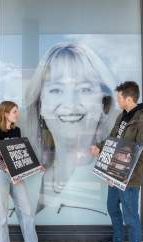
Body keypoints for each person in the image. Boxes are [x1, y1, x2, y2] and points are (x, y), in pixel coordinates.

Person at [24, 43, 118, 224]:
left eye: (84, 89)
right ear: (40, 105)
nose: (70, 103)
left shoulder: (111, 179)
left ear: (103, 104)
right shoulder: (32, 173)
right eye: (56, 90)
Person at [91, 81, 143, 242]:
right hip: (114, 173)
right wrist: (100, 147)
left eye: (119, 97)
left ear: (129, 98)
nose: (117, 100)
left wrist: (124, 175)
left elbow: (142, 153)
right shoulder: (122, 116)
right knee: (112, 206)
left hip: (128, 179)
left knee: (132, 219)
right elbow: (113, 140)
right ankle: (118, 240)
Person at [0, 100, 45, 242]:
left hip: (16, 175)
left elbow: (21, 155)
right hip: (1, 175)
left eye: (17, 111)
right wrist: (7, 169)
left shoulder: (17, 130)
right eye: (14, 112)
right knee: (1, 215)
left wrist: (36, 166)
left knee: (26, 209)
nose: (17, 114)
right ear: (5, 113)